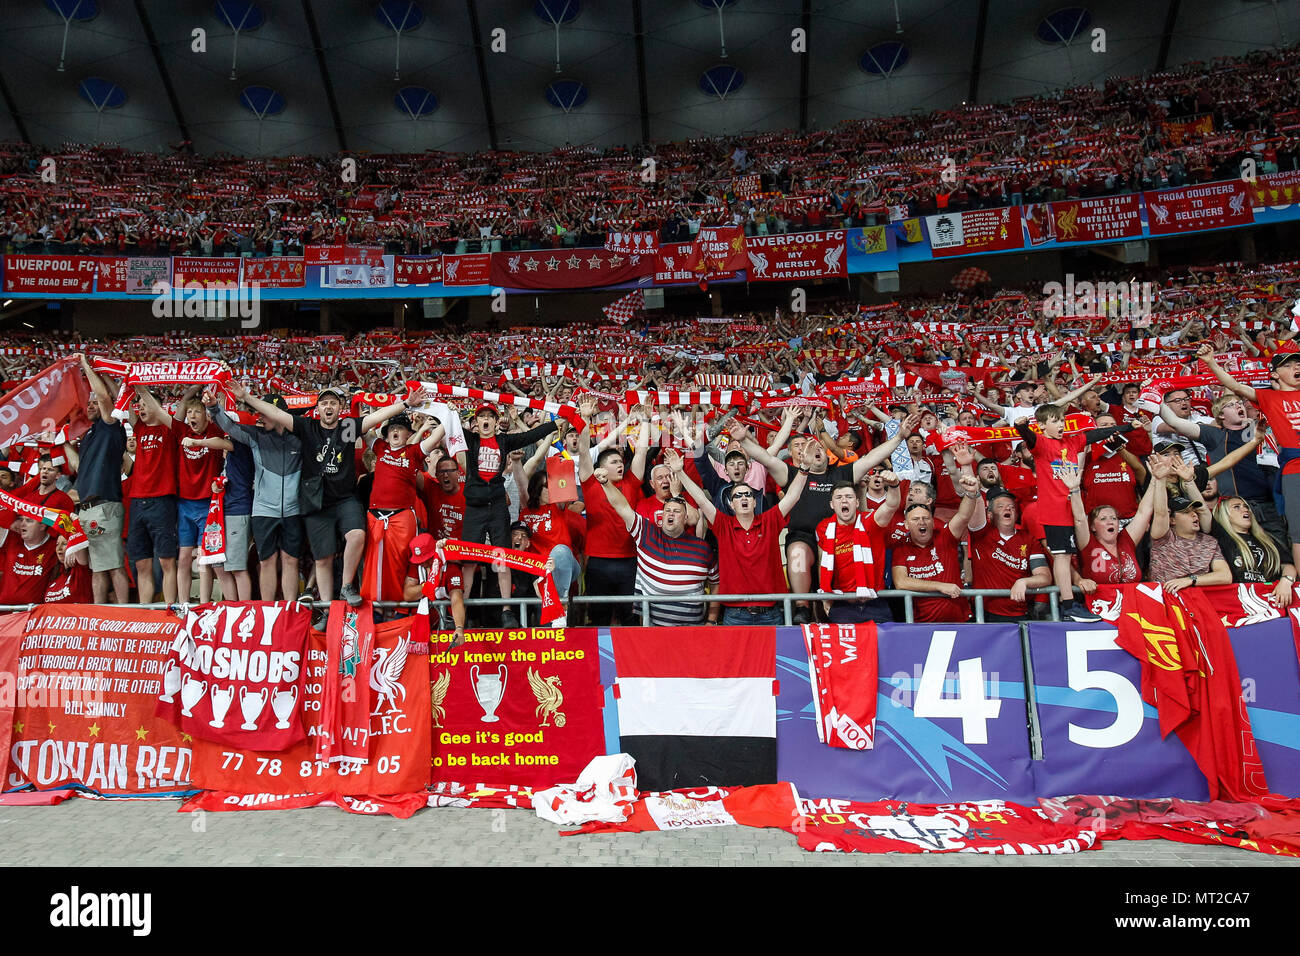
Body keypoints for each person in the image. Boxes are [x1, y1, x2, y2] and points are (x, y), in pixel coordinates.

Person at [236, 382, 416, 613]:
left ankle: (347, 586)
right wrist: (247, 397)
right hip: (315, 501)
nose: (328, 406)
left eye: (333, 402)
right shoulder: (307, 426)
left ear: (340, 407)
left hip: (345, 498)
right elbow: (277, 414)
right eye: (324, 403)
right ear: (317, 409)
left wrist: (404, 404)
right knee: (323, 559)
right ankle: (327, 610)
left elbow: (376, 417)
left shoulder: (348, 427)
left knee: (357, 536)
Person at [730, 412, 918, 624]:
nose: (816, 450)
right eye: (811, 449)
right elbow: (765, 458)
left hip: (838, 538)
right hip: (804, 537)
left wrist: (900, 437)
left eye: (821, 448)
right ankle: (802, 607)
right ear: (802, 457)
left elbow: (873, 457)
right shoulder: (792, 474)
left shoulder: (842, 474)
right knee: (797, 552)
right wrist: (742, 439)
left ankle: (835, 606)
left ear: (829, 456)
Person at [1014, 403, 1133, 622]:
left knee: (1068, 554)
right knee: (1062, 556)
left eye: (1062, 420)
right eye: (1055, 421)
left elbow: (1095, 434)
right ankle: (1067, 604)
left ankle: (1070, 602)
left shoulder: (1071, 441)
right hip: (1054, 510)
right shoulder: (1041, 444)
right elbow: (1028, 437)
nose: (1061, 425)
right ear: (1041, 426)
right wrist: (1019, 426)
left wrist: (1127, 427)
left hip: (1073, 508)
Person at [669, 446, 808, 626]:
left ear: (754, 500)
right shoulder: (723, 524)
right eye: (738, 496)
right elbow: (702, 500)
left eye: (748, 495)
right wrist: (679, 472)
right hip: (735, 615)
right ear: (731, 504)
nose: (743, 498)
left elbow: (793, 496)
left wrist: (804, 469)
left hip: (771, 614)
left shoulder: (769, 521)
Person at [1198, 340, 1300, 576]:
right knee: (1298, 532)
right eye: (1290, 364)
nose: (1297, 367)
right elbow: (1233, 384)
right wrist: (1212, 362)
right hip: (1295, 469)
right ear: (1275, 373)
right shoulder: (1266, 398)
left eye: (1298, 363)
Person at [456, 404, 559, 628]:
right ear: (476, 422)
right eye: (481, 416)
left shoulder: (504, 441)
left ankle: (506, 611)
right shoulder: (471, 440)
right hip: (474, 507)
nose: (485, 420)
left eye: (489, 417)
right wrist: (449, 411)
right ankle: (460, 610)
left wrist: (553, 424)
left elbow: (530, 435)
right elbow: (450, 425)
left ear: (496, 421)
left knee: (502, 557)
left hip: (497, 507)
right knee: (468, 561)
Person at [593, 466, 718, 626]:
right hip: (655, 632)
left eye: (677, 511)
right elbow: (622, 506)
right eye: (667, 510)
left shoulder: (702, 548)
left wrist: (711, 621)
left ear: (686, 518)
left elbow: (716, 582)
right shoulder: (645, 534)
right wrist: (606, 483)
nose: (671, 513)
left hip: (695, 631)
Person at [211, 388, 304, 603]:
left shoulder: (300, 438)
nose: (260, 417)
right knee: (266, 561)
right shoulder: (256, 436)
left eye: (264, 412)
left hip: (293, 510)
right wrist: (213, 407)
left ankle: (290, 607)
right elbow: (228, 426)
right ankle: (267, 608)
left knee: (290, 560)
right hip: (263, 511)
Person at [575, 403, 648, 626]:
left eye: (621, 461)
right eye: (614, 462)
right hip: (598, 562)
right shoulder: (590, 482)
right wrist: (585, 420)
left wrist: (645, 421)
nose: (620, 465)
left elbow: (642, 451)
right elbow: (584, 451)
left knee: (630, 618)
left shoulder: (632, 482)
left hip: (630, 561)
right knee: (599, 617)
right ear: (601, 467)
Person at [361, 414, 444, 604]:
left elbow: (438, 433)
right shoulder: (380, 448)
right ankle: (377, 607)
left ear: (408, 434)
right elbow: (363, 427)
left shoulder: (414, 451)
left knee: (401, 563)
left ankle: (400, 608)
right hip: (375, 516)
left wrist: (447, 412)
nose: (396, 431)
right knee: (374, 566)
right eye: (392, 428)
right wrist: (388, 410)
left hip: (402, 517)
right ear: (386, 435)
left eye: (400, 428)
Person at [890, 473, 983, 623]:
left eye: (926, 518)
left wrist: (971, 493)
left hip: (960, 620)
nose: (922, 522)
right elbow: (901, 582)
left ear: (933, 523)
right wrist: (940, 586)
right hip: (922, 625)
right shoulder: (902, 547)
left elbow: (963, 516)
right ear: (907, 525)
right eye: (915, 519)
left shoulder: (945, 536)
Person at [814, 474, 901, 624]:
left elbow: (891, 505)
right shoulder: (824, 528)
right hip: (842, 605)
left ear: (857, 502)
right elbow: (823, 562)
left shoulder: (870, 521)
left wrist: (894, 486)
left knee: (885, 646)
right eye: (838, 497)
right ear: (831, 504)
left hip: (875, 604)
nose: (844, 500)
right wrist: (825, 598)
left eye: (849, 496)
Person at [1061, 459, 1158, 587]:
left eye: (1113, 518)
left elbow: (1144, 513)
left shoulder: (1126, 540)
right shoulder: (1088, 543)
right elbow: (1079, 519)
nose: (1110, 522)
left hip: (1132, 603)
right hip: (1100, 604)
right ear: (1093, 527)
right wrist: (1074, 489)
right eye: (1103, 519)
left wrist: (1155, 480)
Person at [126, 384, 181, 604]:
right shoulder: (139, 428)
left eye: (145, 404)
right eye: (139, 406)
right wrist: (127, 386)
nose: (141, 408)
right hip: (138, 501)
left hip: (162, 500)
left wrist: (140, 388)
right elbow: (123, 402)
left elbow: (182, 405)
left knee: (167, 560)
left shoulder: (170, 429)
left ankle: (169, 609)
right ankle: (144, 611)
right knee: (141, 563)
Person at [176, 398, 233, 602]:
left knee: (204, 559)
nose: (192, 416)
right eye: (189, 412)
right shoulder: (182, 432)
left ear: (207, 416)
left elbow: (227, 444)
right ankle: (183, 606)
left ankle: (203, 605)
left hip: (208, 506)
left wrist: (199, 442)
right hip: (184, 504)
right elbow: (168, 415)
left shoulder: (215, 431)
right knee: (183, 558)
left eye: (197, 412)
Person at [967, 488, 1052, 622]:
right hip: (986, 615)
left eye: (1011, 507)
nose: (1008, 509)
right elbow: (974, 513)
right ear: (989, 514)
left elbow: (1044, 577)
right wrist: (975, 492)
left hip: (1020, 614)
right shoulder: (981, 534)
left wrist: (1024, 581)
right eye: (1000, 507)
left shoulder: (1028, 539)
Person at [1147, 479, 1232, 594]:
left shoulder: (1209, 542)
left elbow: (1225, 576)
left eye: (1195, 511)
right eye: (1186, 512)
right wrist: (1160, 479)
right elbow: (1161, 513)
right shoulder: (1163, 538)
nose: (1194, 515)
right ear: (1172, 520)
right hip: (1167, 598)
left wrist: (1190, 580)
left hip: (1200, 599)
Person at [1211, 496, 1296, 604]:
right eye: (1237, 507)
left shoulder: (1267, 540)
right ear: (1224, 515)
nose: (1245, 509)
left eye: (1246, 506)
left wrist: (1286, 581)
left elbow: (1288, 565)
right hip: (1241, 602)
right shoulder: (1222, 539)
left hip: (1274, 599)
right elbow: (1203, 511)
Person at [403, 533, 466, 648]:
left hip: (447, 628)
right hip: (420, 628)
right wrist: (430, 584)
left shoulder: (451, 567)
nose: (424, 563)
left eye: (428, 559)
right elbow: (407, 594)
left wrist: (459, 628)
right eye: (420, 560)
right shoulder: (417, 565)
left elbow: (457, 598)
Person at [0, 515, 61, 605]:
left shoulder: (54, 545)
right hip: (5, 612)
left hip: (34, 614)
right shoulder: (13, 539)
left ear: (42, 526)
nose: (22, 524)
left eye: (29, 521)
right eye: (21, 519)